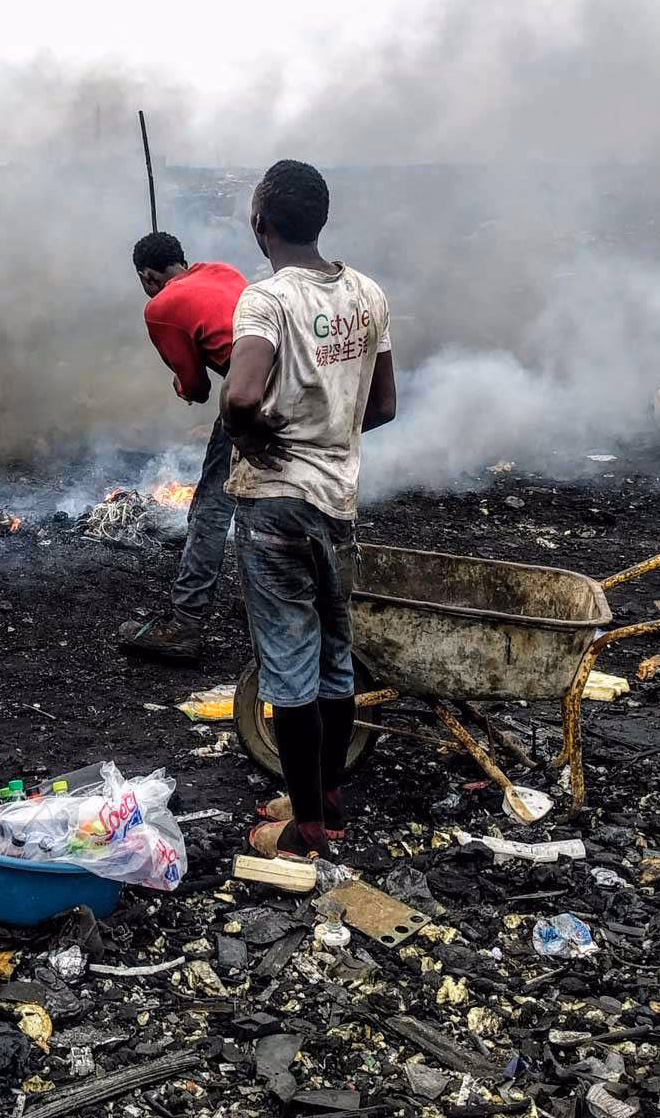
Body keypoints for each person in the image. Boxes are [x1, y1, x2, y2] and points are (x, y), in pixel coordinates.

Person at [219, 162, 396, 860]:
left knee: (290, 665)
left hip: (276, 506)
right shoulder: (368, 293)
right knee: (332, 657)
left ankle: (307, 834)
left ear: (261, 223)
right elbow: (381, 406)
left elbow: (239, 394)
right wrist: (329, 439)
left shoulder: (265, 300)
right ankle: (323, 803)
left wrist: (254, 433)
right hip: (337, 501)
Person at [119, 232, 248, 666]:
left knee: (211, 509)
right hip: (305, 389)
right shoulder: (223, 271)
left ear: (147, 276)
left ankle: (185, 624)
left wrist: (180, 384)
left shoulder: (160, 307)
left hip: (255, 398)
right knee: (273, 499)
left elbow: (196, 386)